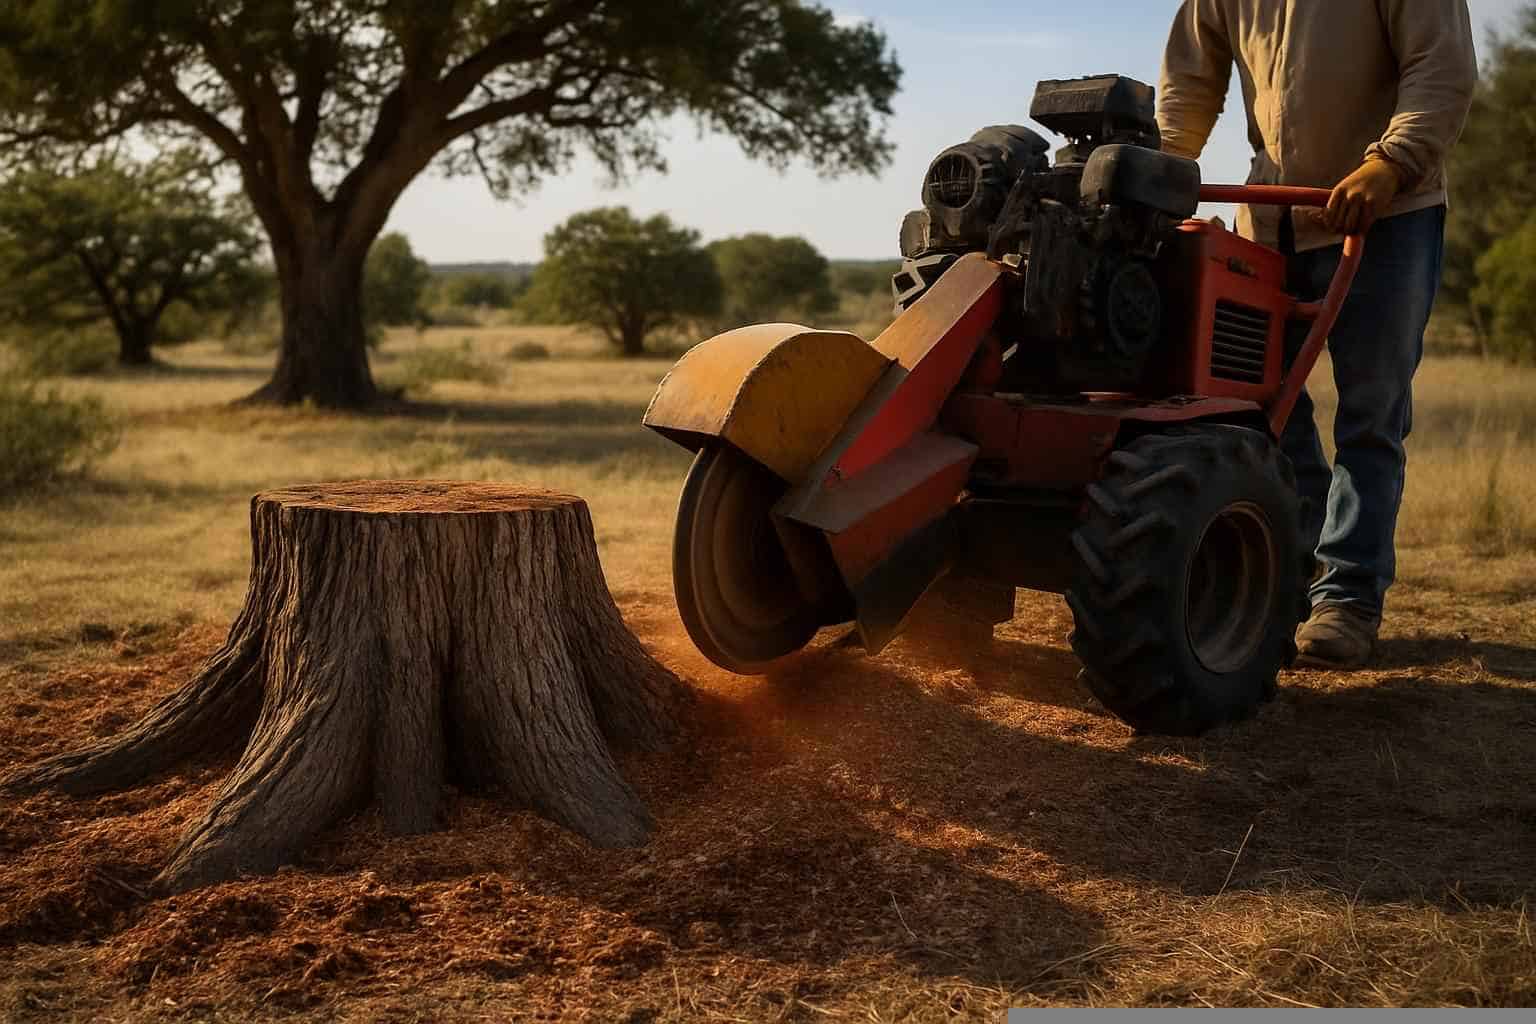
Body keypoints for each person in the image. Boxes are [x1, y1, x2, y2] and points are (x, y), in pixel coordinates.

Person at [1156, 0, 1479, 668]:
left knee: (1370, 415)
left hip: (1386, 214)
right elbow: (1190, 81)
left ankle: (1349, 599)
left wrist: (1391, 162)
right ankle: (1292, 567)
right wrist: (1161, 169)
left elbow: (1440, 68)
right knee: (1259, 407)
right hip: (1271, 216)